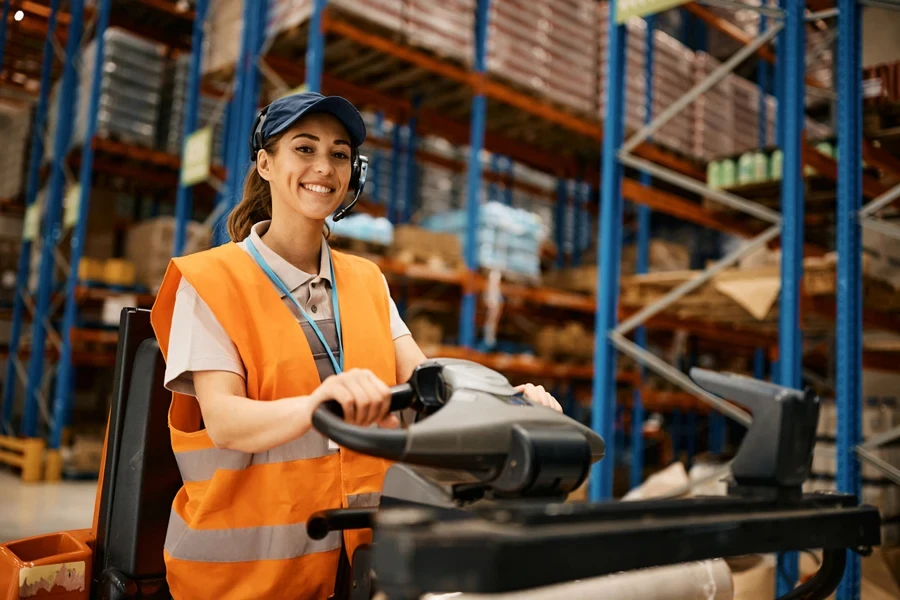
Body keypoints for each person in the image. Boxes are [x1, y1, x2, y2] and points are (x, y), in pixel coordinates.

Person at [150, 91, 561, 599]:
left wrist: (507, 403)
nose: (323, 166)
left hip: (358, 560)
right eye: (304, 148)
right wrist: (315, 406)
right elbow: (226, 420)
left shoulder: (366, 280)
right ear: (265, 164)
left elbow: (429, 383)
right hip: (246, 577)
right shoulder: (211, 281)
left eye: (339, 154)